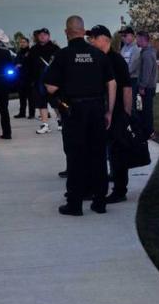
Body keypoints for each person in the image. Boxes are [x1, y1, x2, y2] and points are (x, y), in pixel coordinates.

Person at [43, 15, 116, 216]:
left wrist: (60, 98)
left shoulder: (62, 56)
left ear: (67, 32)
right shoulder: (98, 54)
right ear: (84, 32)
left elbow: (50, 86)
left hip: (74, 111)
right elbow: (111, 83)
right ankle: (99, 202)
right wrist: (108, 111)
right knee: (98, 156)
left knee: (75, 156)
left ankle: (75, 204)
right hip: (96, 110)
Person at [89, 25, 133, 203]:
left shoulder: (116, 60)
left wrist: (126, 115)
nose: (91, 41)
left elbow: (127, 89)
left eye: (93, 38)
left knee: (118, 152)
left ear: (104, 39)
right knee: (107, 151)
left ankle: (120, 190)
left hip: (118, 114)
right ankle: (109, 180)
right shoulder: (97, 59)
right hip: (103, 112)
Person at [29, 27, 60, 134]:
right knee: (41, 103)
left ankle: (61, 122)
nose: (42, 36)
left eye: (44, 34)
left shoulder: (55, 48)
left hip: (52, 82)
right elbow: (29, 65)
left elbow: (60, 65)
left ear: (48, 36)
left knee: (55, 103)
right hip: (38, 81)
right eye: (40, 35)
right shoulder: (33, 49)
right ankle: (45, 125)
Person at [137, 31, 158, 140]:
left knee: (147, 111)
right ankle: (146, 130)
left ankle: (149, 132)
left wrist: (142, 86)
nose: (136, 40)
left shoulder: (147, 54)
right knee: (143, 110)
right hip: (148, 87)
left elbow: (146, 72)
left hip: (147, 88)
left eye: (137, 38)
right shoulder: (146, 52)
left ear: (142, 39)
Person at [118, 27, 140, 114]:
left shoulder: (136, 49)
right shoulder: (124, 48)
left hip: (133, 81)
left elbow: (132, 67)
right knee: (125, 104)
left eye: (125, 35)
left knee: (131, 105)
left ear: (131, 35)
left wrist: (121, 75)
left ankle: (133, 125)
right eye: (122, 36)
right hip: (125, 80)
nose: (122, 37)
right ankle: (126, 122)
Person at [14, 36, 34, 118]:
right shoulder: (19, 53)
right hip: (20, 78)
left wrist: (21, 65)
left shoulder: (31, 52)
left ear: (28, 43)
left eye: (24, 42)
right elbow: (15, 62)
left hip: (29, 77)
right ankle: (22, 113)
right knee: (22, 97)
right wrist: (15, 65)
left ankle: (31, 114)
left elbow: (32, 64)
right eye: (21, 42)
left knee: (30, 97)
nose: (22, 44)